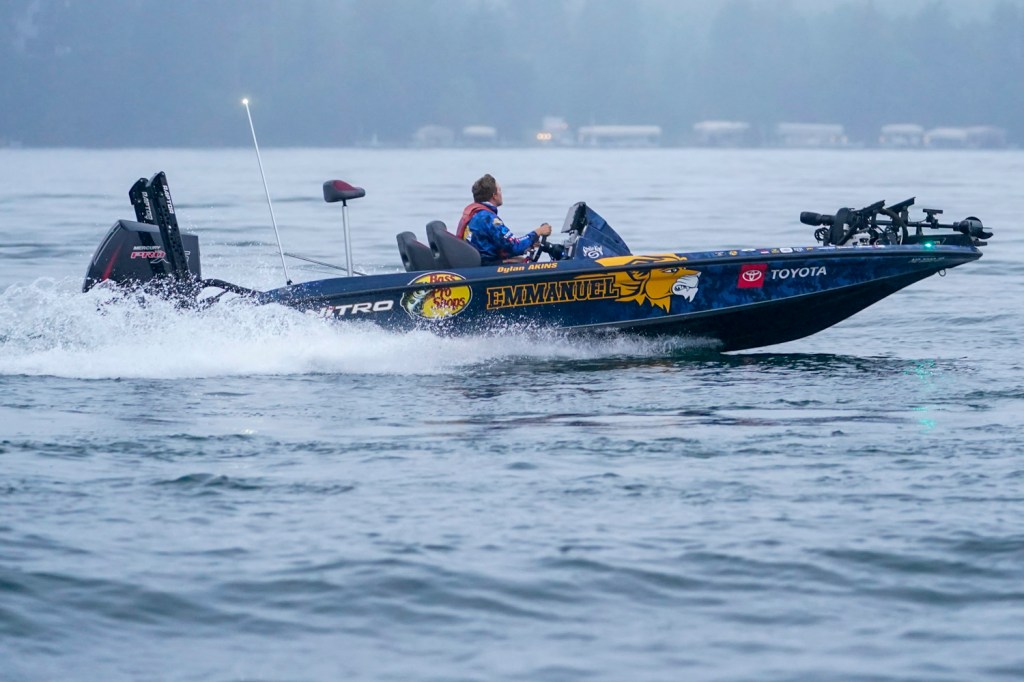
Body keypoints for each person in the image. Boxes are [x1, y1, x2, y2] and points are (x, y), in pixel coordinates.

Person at [455, 174, 552, 265]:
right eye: (500, 190)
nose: (501, 194)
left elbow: (504, 245)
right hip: (487, 267)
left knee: (519, 259)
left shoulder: (475, 215)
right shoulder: (488, 218)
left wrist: (530, 244)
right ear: (494, 195)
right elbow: (514, 246)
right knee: (521, 261)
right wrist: (538, 232)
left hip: (480, 263)